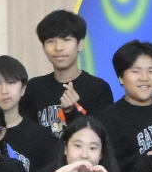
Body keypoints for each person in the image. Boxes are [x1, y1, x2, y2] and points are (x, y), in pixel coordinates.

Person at [23, 10, 115, 139]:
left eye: (66, 40)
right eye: (50, 41)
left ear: (80, 44)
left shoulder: (98, 89)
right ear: (43, 48)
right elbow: (26, 136)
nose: (58, 48)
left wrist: (72, 112)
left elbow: (100, 139)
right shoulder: (34, 87)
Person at [97, 39, 152, 168]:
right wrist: (147, 159)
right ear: (120, 77)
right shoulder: (108, 119)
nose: (144, 78)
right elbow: (110, 167)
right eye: (136, 71)